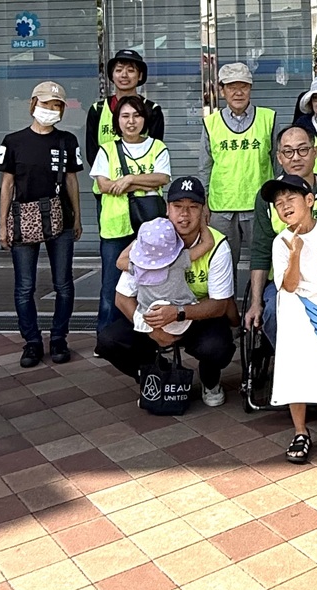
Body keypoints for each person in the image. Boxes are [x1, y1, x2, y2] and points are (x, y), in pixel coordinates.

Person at [96, 176, 238, 408]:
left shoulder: (218, 245)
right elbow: (121, 297)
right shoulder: (151, 237)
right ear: (167, 209)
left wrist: (178, 312)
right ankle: (153, 374)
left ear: (204, 210)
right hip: (152, 317)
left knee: (218, 346)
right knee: (109, 340)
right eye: (178, 206)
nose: (184, 215)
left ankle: (210, 380)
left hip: (195, 317)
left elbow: (220, 305)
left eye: (193, 207)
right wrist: (150, 328)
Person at [260, 175, 317, 463]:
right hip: (296, 313)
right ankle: (300, 431)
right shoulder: (281, 242)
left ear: (309, 200)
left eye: (290, 199)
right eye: (278, 204)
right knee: (295, 371)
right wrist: (295, 254)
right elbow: (287, 286)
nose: (284, 206)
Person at [0, 81, 83, 368]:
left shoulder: (67, 140)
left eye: (57, 105)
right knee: (24, 286)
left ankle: (59, 338)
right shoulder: (13, 141)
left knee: (64, 284)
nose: (51, 109)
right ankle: (32, 342)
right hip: (23, 219)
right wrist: (2, 224)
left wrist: (77, 216)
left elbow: (72, 180)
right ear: (33, 104)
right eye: (46, 104)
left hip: (61, 219)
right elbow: (7, 184)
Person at [245, 126, 317, 345]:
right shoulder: (268, 197)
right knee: (273, 314)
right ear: (279, 157)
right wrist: (255, 302)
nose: (295, 157)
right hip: (287, 282)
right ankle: (289, 358)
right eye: (288, 152)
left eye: (303, 149)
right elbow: (260, 252)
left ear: (315, 152)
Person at [91, 96, 171, 337]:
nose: (131, 121)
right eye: (125, 116)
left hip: (149, 228)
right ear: (117, 121)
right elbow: (104, 185)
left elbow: (162, 178)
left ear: (145, 119)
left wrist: (129, 179)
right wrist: (143, 183)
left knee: (151, 282)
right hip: (116, 227)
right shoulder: (107, 149)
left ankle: (149, 335)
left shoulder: (157, 147)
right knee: (111, 285)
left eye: (137, 115)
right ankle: (107, 336)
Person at [199, 62, 276, 279]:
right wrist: (204, 203)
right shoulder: (211, 123)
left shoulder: (268, 119)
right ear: (222, 91)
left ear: (251, 88)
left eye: (243, 86)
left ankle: (260, 300)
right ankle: (226, 302)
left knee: (265, 262)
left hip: (259, 205)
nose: (238, 92)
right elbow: (205, 167)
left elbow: (278, 162)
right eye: (232, 87)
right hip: (221, 208)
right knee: (221, 265)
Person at [86, 50, 164, 216]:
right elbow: (92, 153)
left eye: (130, 70)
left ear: (140, 75)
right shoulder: (97, 110)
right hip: (108, 193)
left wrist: (131, 182)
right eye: (119, 70)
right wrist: (111, 183)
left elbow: (156, 151)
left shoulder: (152, 110)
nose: (124, 75)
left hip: (145, 196)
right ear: (111, 75)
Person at [115, 218, 214, 335]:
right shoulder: (179, 260)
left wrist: (141, 240)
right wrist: (201, 223)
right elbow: (208, 243)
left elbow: (119, 262)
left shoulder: (138, 266)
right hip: (180, 316)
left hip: (148, 318)